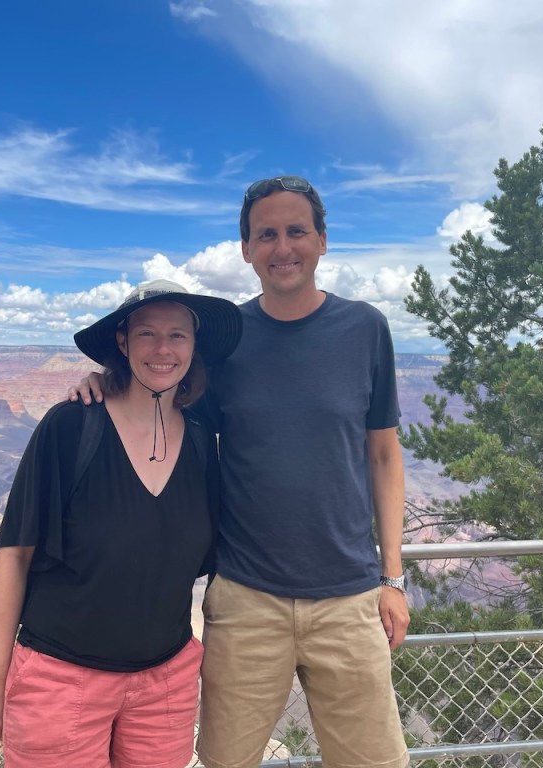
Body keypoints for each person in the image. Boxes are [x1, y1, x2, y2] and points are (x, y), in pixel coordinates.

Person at [73, 176, 411, 768]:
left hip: (350, 598)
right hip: (246, 598)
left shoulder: (365, 330)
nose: (283, 247)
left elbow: (384, 454)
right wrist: (109, 380)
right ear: (247, 250)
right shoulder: (227, 343)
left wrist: (393, 578)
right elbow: (167, 402)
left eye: (296, 231)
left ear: (322, 241)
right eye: (267, 235)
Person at [0, 279, 242, 768]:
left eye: (177, 335)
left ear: (194, 346)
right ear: (122, 343)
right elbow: (13, 558)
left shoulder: (202, 443)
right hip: (62, 681)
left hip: (167, 686)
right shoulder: (71, 427)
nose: (163, 349)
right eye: (146, 335)